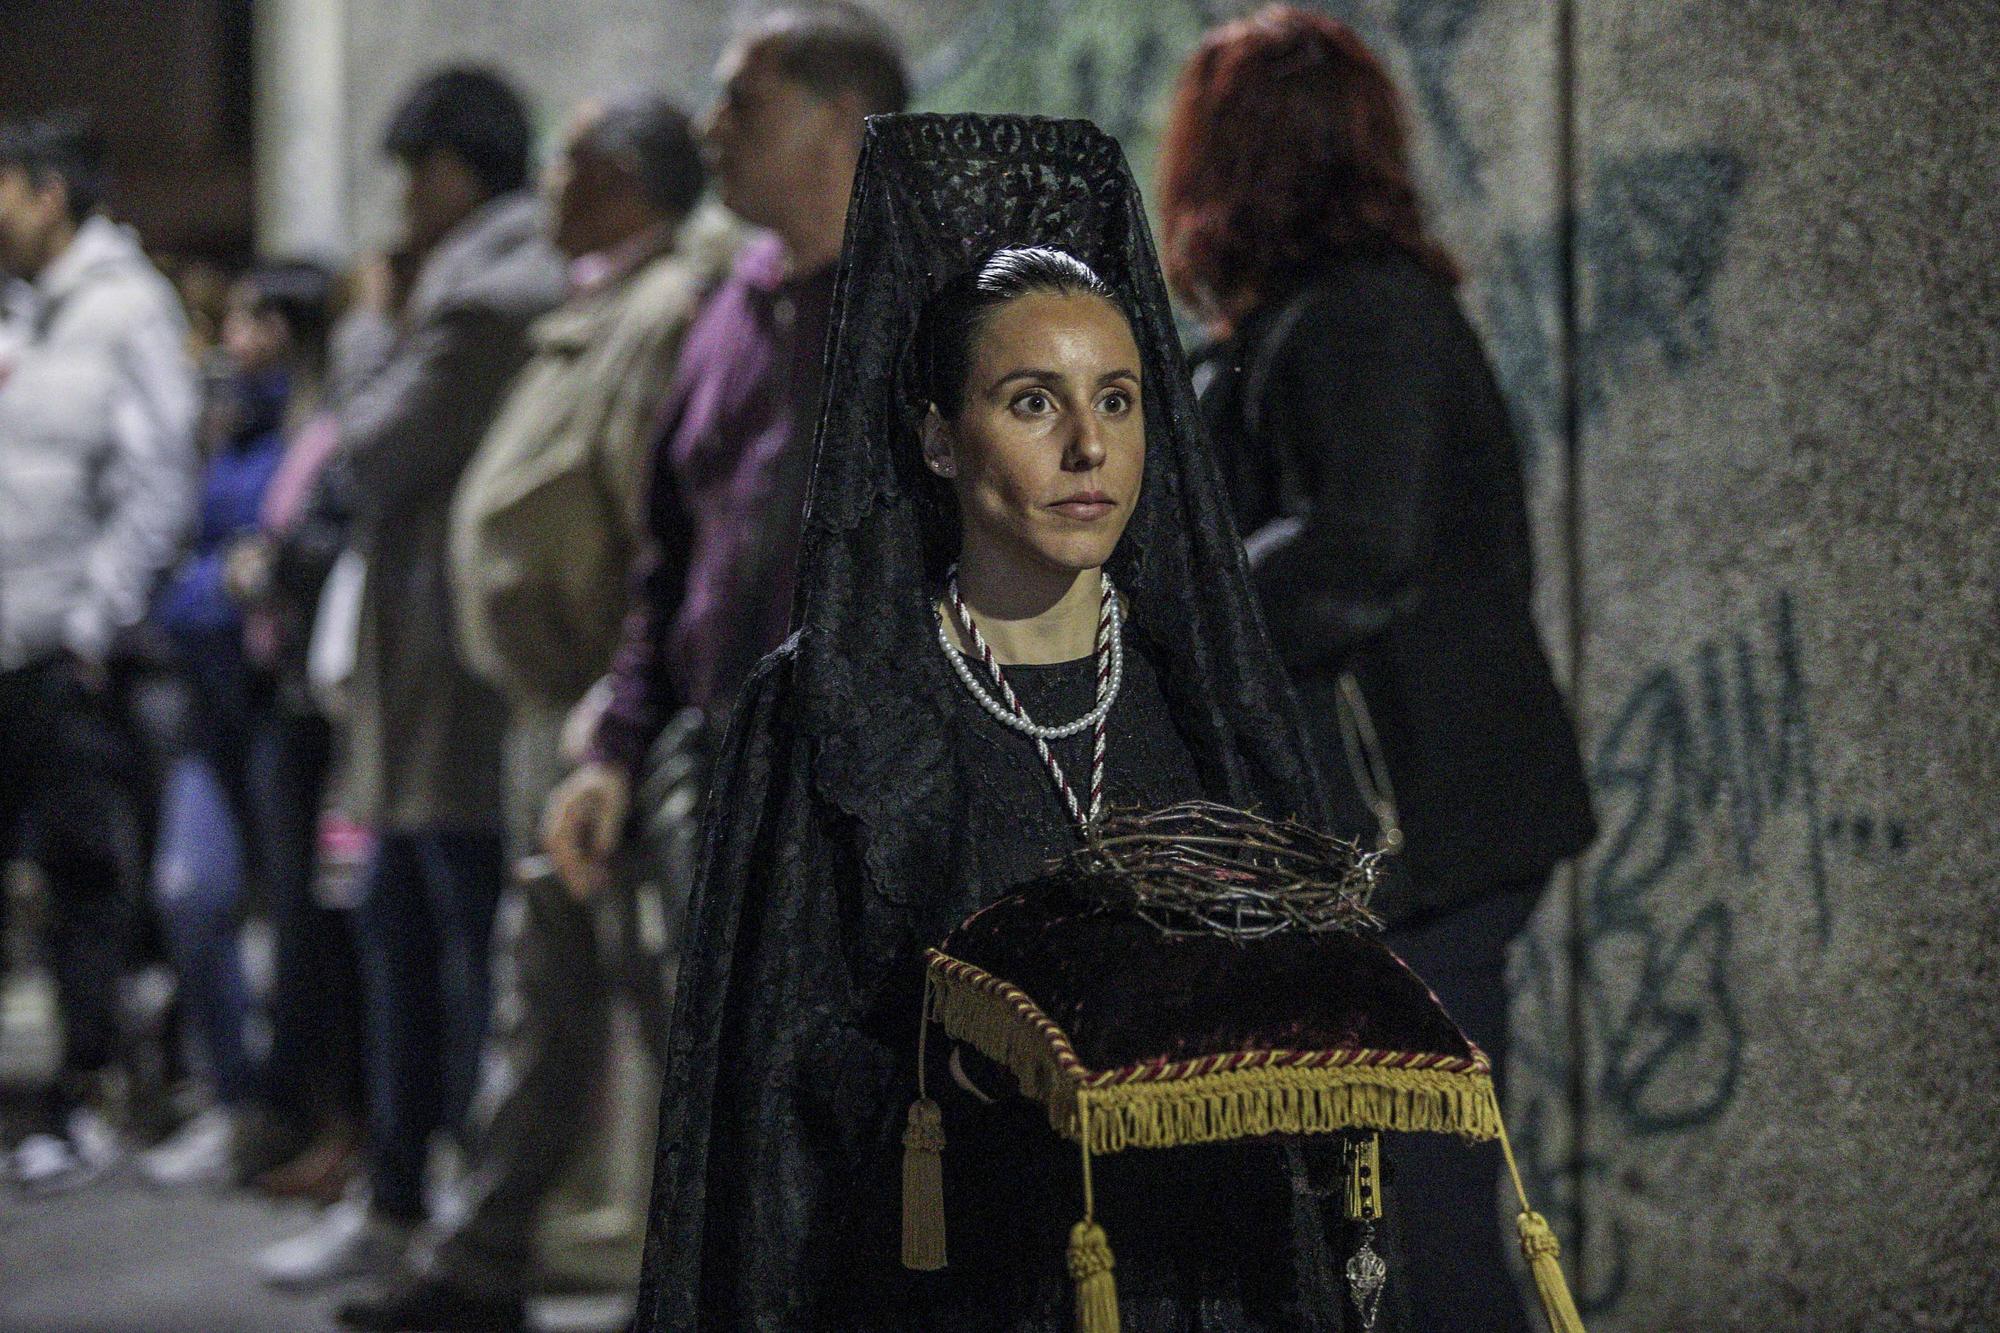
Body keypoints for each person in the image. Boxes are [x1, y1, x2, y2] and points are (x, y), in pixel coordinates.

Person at [632, 113, 1392, 1331]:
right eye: (1031, 401)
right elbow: (772, 1095)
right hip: (949, 1279)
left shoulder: (1200, 695)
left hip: (1185, 1277)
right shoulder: (831, 706)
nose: (1089, 447)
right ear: (936, 435)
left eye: (1119, 398)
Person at [1159, 10, 1599, 1330]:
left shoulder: (1357, 313)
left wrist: (1175, 618)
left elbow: (1355, 551)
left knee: (1421, 1218)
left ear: (1226, 154)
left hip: (1417, 839)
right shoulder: (1308, 320)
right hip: (1402, 836)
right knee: (1386, 1216)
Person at [336, 92, 717, 1333]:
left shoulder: (661, 311)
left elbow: (646, 524)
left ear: (611, 176)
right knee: (543, 989)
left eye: (561, 163)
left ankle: (712, 1264)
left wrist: (615, 701)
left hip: (604, 713)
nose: (543, 188)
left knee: (649, 992)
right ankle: (484, 1259)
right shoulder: (606, 296)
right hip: (555, 711)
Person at [258, 67, 565, 1288]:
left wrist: (372, 322)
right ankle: (404, 1192)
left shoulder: (487, 296)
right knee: (404, 927)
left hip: (453, 675)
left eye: (413, 170)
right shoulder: (478, 286)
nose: (401, 199)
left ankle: (433, 1205)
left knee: (445, 945)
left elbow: (370, 455)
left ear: (453, 169)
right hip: (418, 670)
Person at [542, 2, 908, 899]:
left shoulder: (923, 310)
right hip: (721, 782)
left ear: (838, 122)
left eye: (743, 103)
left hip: (872, 806)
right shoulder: (730, 316)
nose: (710, 127)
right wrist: (617, 751)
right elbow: (667, 559)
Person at [0, 114, 199, 1193]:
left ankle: (78, 1098)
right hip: (6, 644)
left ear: (44, 193)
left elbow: (158, 477)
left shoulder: (126, 309)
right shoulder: (27, 317)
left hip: (62, 656)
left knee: (84, 878)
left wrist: (91, 622)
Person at [140, 262, 333, 1188]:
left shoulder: (307, 439)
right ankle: (236, 1096)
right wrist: (212, 586)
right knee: (190, 892)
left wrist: (214, 587)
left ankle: (282, 1111)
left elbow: (273, 573)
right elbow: (200, 571)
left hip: (274, 714)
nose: (236, 340)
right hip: (208, 715)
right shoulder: (223, 433)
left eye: (259, 321)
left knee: (296, 928)